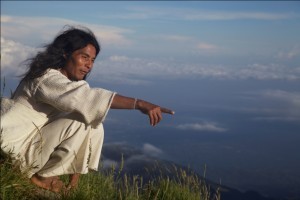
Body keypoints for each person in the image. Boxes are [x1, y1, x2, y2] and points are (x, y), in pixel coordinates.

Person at [0, 25, 174, 193]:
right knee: (82, 121)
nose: (89, 65)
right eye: (84, 57)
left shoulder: (65, 84)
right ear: (65, 53)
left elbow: (86, 108)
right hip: (16, 152)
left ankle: (57, 177)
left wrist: (73, 182)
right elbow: (86, 98)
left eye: (92, 60)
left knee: (94, 123)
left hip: (32, 146)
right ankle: (40, 177)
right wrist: (139, 104)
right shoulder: (45, 78)